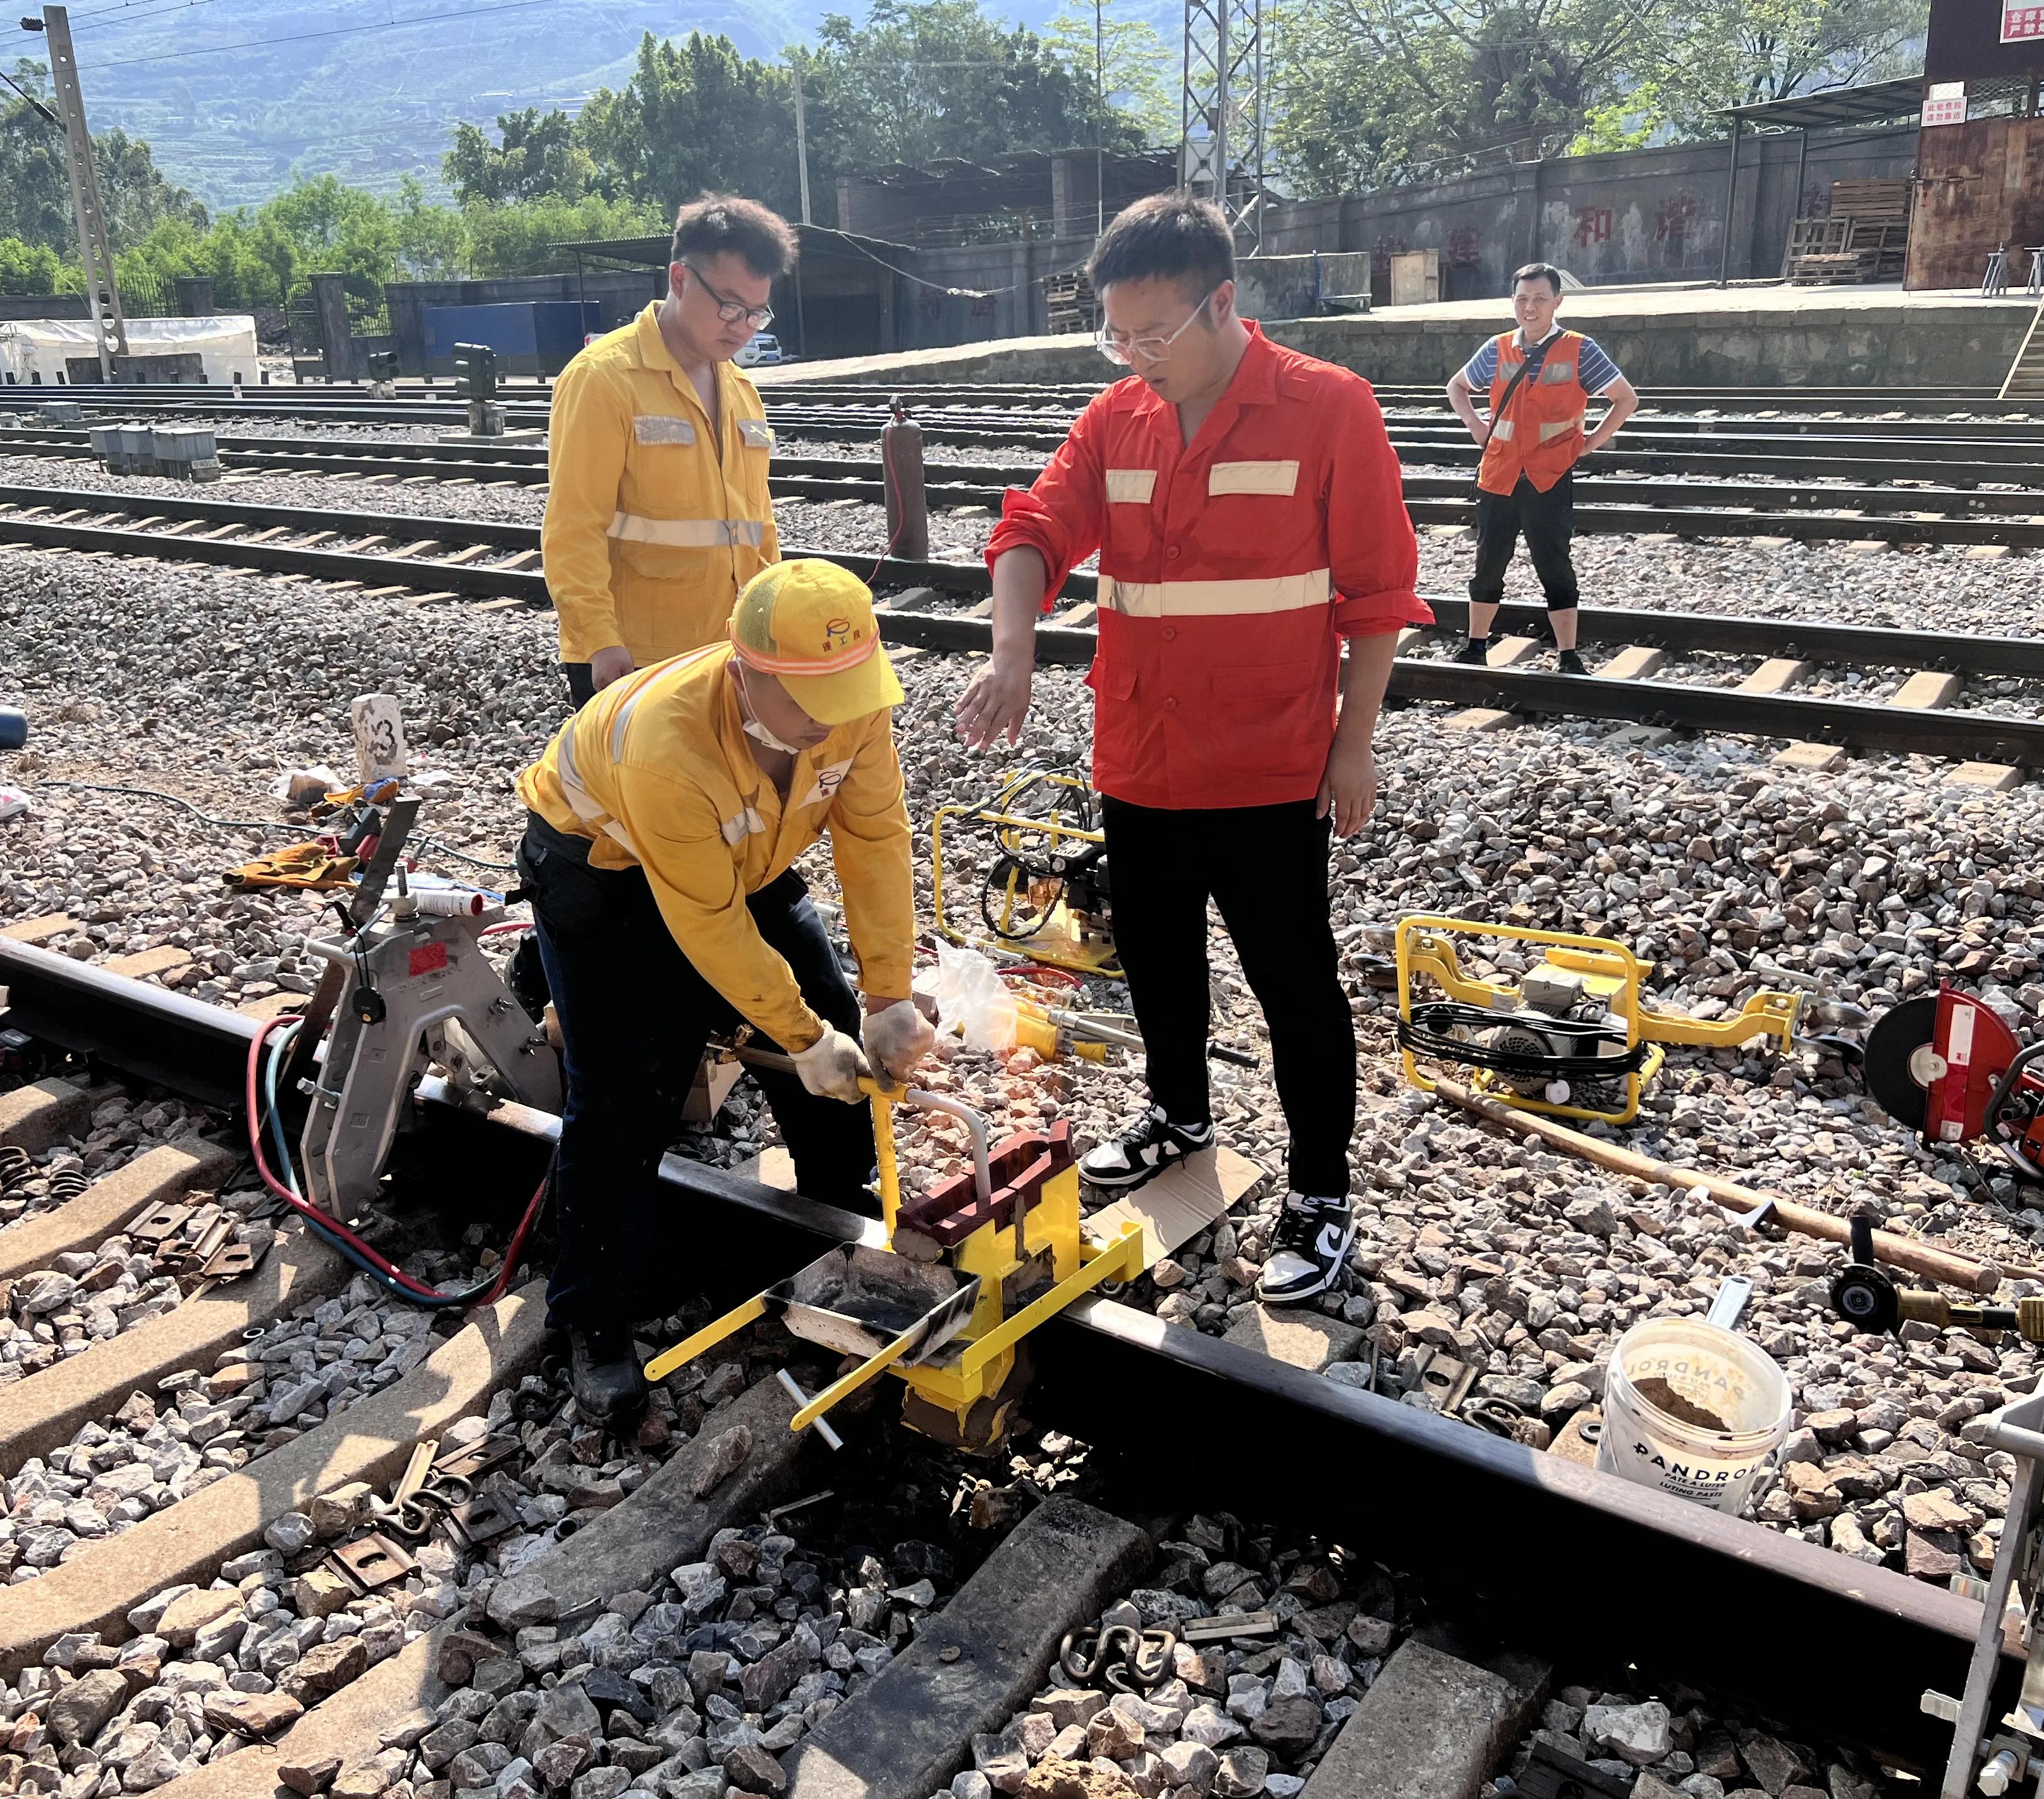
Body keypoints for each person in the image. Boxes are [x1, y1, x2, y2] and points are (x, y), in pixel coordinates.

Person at [957, 192, 1430, 1308]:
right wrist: (1014, 650)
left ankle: (1320, 1195)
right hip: (1140, 756)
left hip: (1268, 770)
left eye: (1153, 334)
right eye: (1115, 335)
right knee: (1158, 957)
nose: (1133, 356)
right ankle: (1179, 1113)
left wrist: (1350, 746)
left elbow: (1377, 595)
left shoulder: (1328, 409)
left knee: (1294, 987)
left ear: (1224, 303)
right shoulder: (1117, 416)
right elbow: (1030, 530)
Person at [514, 558, 935, 1420]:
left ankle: (837, 1224)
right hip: (603, 872)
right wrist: (802, 1036)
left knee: (830, 1011)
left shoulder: (851, 713)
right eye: (809, 701)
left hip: (741, 853)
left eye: (846, 694)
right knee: (630, 1086)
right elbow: (707, 925)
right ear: (744, 675)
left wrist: (887, 995)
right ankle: (591, 1316)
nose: (831, 721)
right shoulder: (669, 744)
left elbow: (877, 841)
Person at [542, 195, 795, 709]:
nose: (742, 326)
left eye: (755, 313)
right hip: (634, 658)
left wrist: (769, 633)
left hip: (730, 654)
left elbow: (758, 528)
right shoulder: (604, 379)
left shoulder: (741, 390)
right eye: (728, 305)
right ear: (680, 280)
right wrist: (599, 639)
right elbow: (574, 526)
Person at [1444, 262, 1639, 673]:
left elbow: (1625, 399)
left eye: (1539, 299)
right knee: (1488, 564)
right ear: (1512, 303)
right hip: (1499, 474)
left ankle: (1568, 653)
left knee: (1554, 564)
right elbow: (1457, 387)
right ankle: (1476, 646)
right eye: (1522, 299)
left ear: (1558, 302)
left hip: (1549, 476)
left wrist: (1589, 444)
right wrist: (1478, 428)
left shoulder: (1580, 348)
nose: (1529, 308)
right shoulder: (1497, 348)